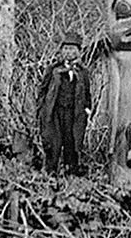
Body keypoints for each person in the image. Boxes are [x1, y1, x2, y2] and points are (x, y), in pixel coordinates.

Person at [37, 32, 92, 176]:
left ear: (78, 52)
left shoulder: (83, 72)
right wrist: (42, 109)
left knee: (72, 143)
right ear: (61, 51)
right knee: (53, 143)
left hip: (74, 113)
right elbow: (42, 90)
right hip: (55, 112)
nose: (69, 52)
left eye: (72, 49)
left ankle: (71, 174)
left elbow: (87, 93)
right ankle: (50, 174)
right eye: (66, 49)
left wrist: (87, 109)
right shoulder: (52, 69)